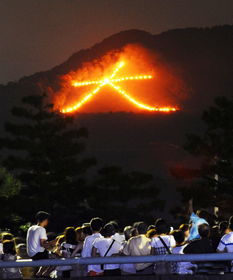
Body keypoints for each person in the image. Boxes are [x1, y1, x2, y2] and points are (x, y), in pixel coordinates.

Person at [26, 211, 56, 277]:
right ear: (45, 220)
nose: (48, 221)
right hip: (38, 254)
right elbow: (43, 244)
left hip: (30, 254)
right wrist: (53, 243)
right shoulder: (41, 229)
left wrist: (50, 244)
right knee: (55, 259)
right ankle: (43, 274)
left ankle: (39, 274)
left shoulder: (31, 228)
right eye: (47, 219)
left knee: (48, 256)